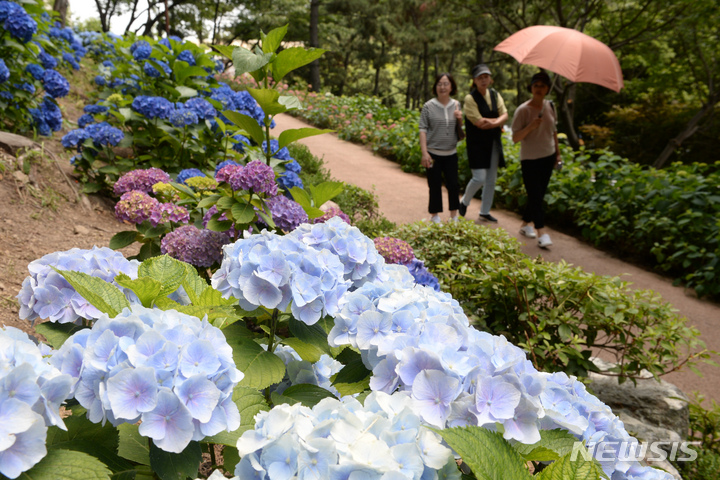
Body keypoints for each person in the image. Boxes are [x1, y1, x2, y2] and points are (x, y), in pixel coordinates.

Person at [511, 71, 561, 248]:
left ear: (548, 88)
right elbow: (515, 137)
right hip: (530, 158)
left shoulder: (550, 106)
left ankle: (525, 225)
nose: (539, 89)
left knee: (537, 194)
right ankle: (541, 232)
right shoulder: (523, 110)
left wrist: (558, 154)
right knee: (535, 194)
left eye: (542, 86)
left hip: (548, 156)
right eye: (536, 85)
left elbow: (553, 131)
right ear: (531, 88)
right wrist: (531, 126)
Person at [457, 64, 508, 223]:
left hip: (493, 142)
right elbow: (479, 122)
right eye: (480, 77)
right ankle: (465, 201)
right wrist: (497, 122)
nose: (483, 80)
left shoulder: (495, 94)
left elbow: (505, 115)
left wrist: (492, 123)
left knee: (491, 179)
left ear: (490, 79)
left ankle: (484, 211)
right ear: (474, 80)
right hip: (477, 144)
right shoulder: (470, 98)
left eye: (486, 76)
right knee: (479, 178)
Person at [419, 73, 463, 223]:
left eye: (446, 84)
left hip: (451, 153)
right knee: (434, 185)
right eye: (439, 84)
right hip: (433, 153)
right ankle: (435, 216)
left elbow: (460, 130)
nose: (442, 87)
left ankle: (454, 216)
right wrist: (425, 153)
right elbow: (422, 129)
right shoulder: (428, 106)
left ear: (452, 87)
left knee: (453, 184)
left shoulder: (457, 104)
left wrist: (460, 119)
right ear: (435, 87)